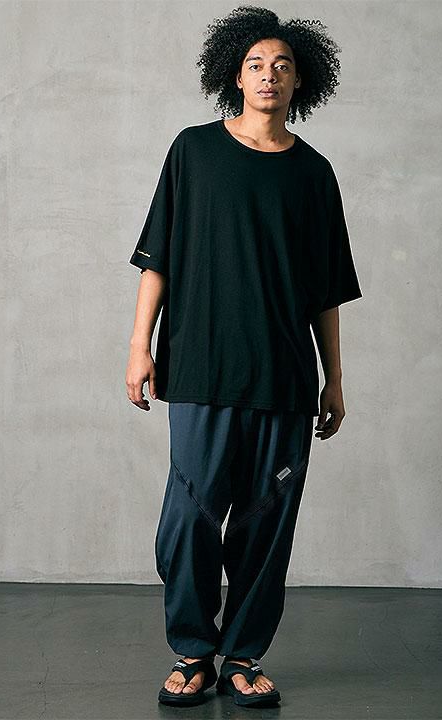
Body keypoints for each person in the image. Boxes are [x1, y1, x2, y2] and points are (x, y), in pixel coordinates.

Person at [125, 5, 362, 709]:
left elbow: (325, 291)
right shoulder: (193, 152)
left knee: (267, 524)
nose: (269, 75)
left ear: (300, 81)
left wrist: (334, 380)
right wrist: (138, 346)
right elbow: (158, 260)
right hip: (200, 368)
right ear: (235, 75)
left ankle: (243, 655)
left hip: (284, 377)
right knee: (189, 519)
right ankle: (193, 651)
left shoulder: (314, 173)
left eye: (282, 65)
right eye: (256, 64)